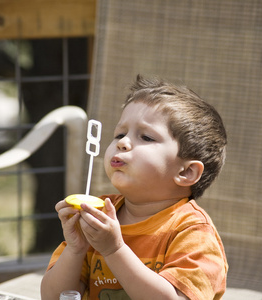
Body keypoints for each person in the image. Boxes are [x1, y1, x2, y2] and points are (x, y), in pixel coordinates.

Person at [41, 75, 228, 300]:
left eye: (146, 137)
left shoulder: (192, 232)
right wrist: (75, 249)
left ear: (186, 172)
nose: (122, 142)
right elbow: (52, 297)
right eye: (120, 134)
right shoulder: (99, 217)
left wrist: (114, 250)